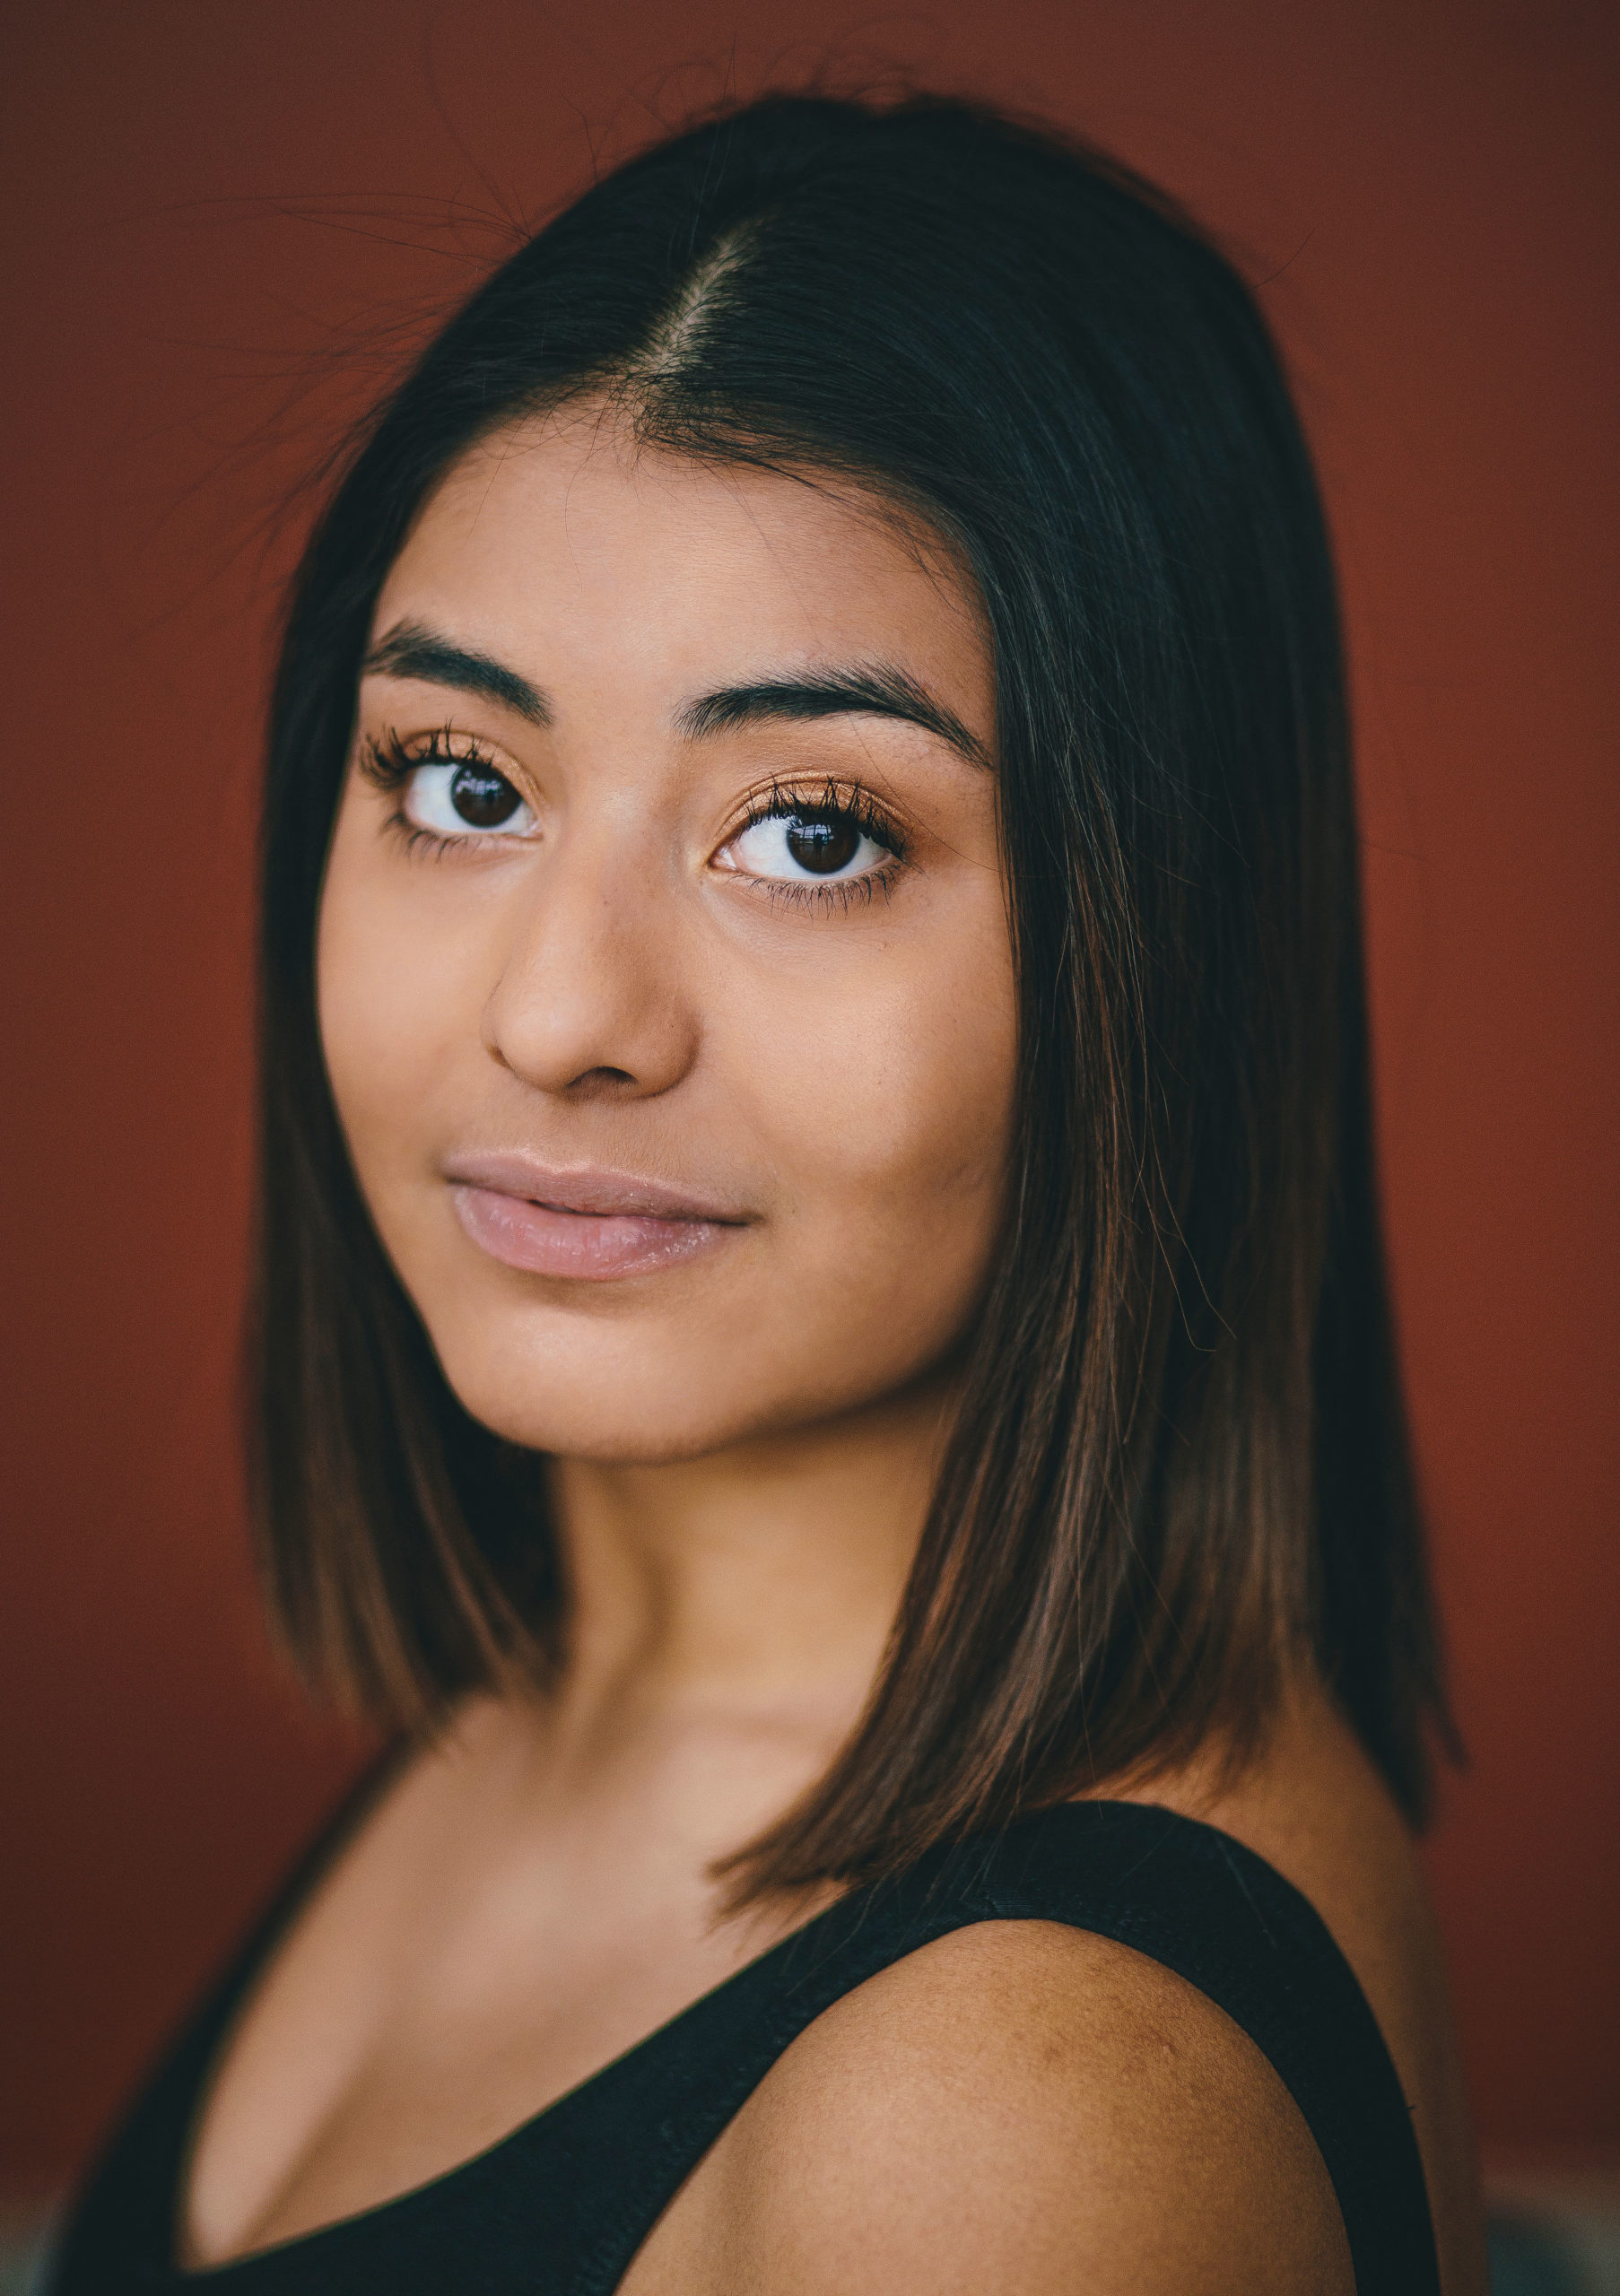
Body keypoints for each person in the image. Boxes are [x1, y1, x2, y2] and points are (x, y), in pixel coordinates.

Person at [49, 92, 1486, 2295]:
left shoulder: (1010, 2113)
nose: (561, 1013)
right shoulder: (553, 1690)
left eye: (812, 831)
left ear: (1157, 952)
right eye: (461, 779)